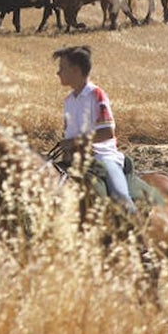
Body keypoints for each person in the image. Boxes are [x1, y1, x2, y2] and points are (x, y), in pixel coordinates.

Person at [53, 45, 136, 214]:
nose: (58, 73)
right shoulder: (68, 101)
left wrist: (75, 142)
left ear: (76, 70)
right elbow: (68, 133)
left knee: (121, 199)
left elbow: (107, 132)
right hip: (75, 160)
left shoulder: (96, 95)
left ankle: (138, 234)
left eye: (62, 68)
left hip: (102, 158)